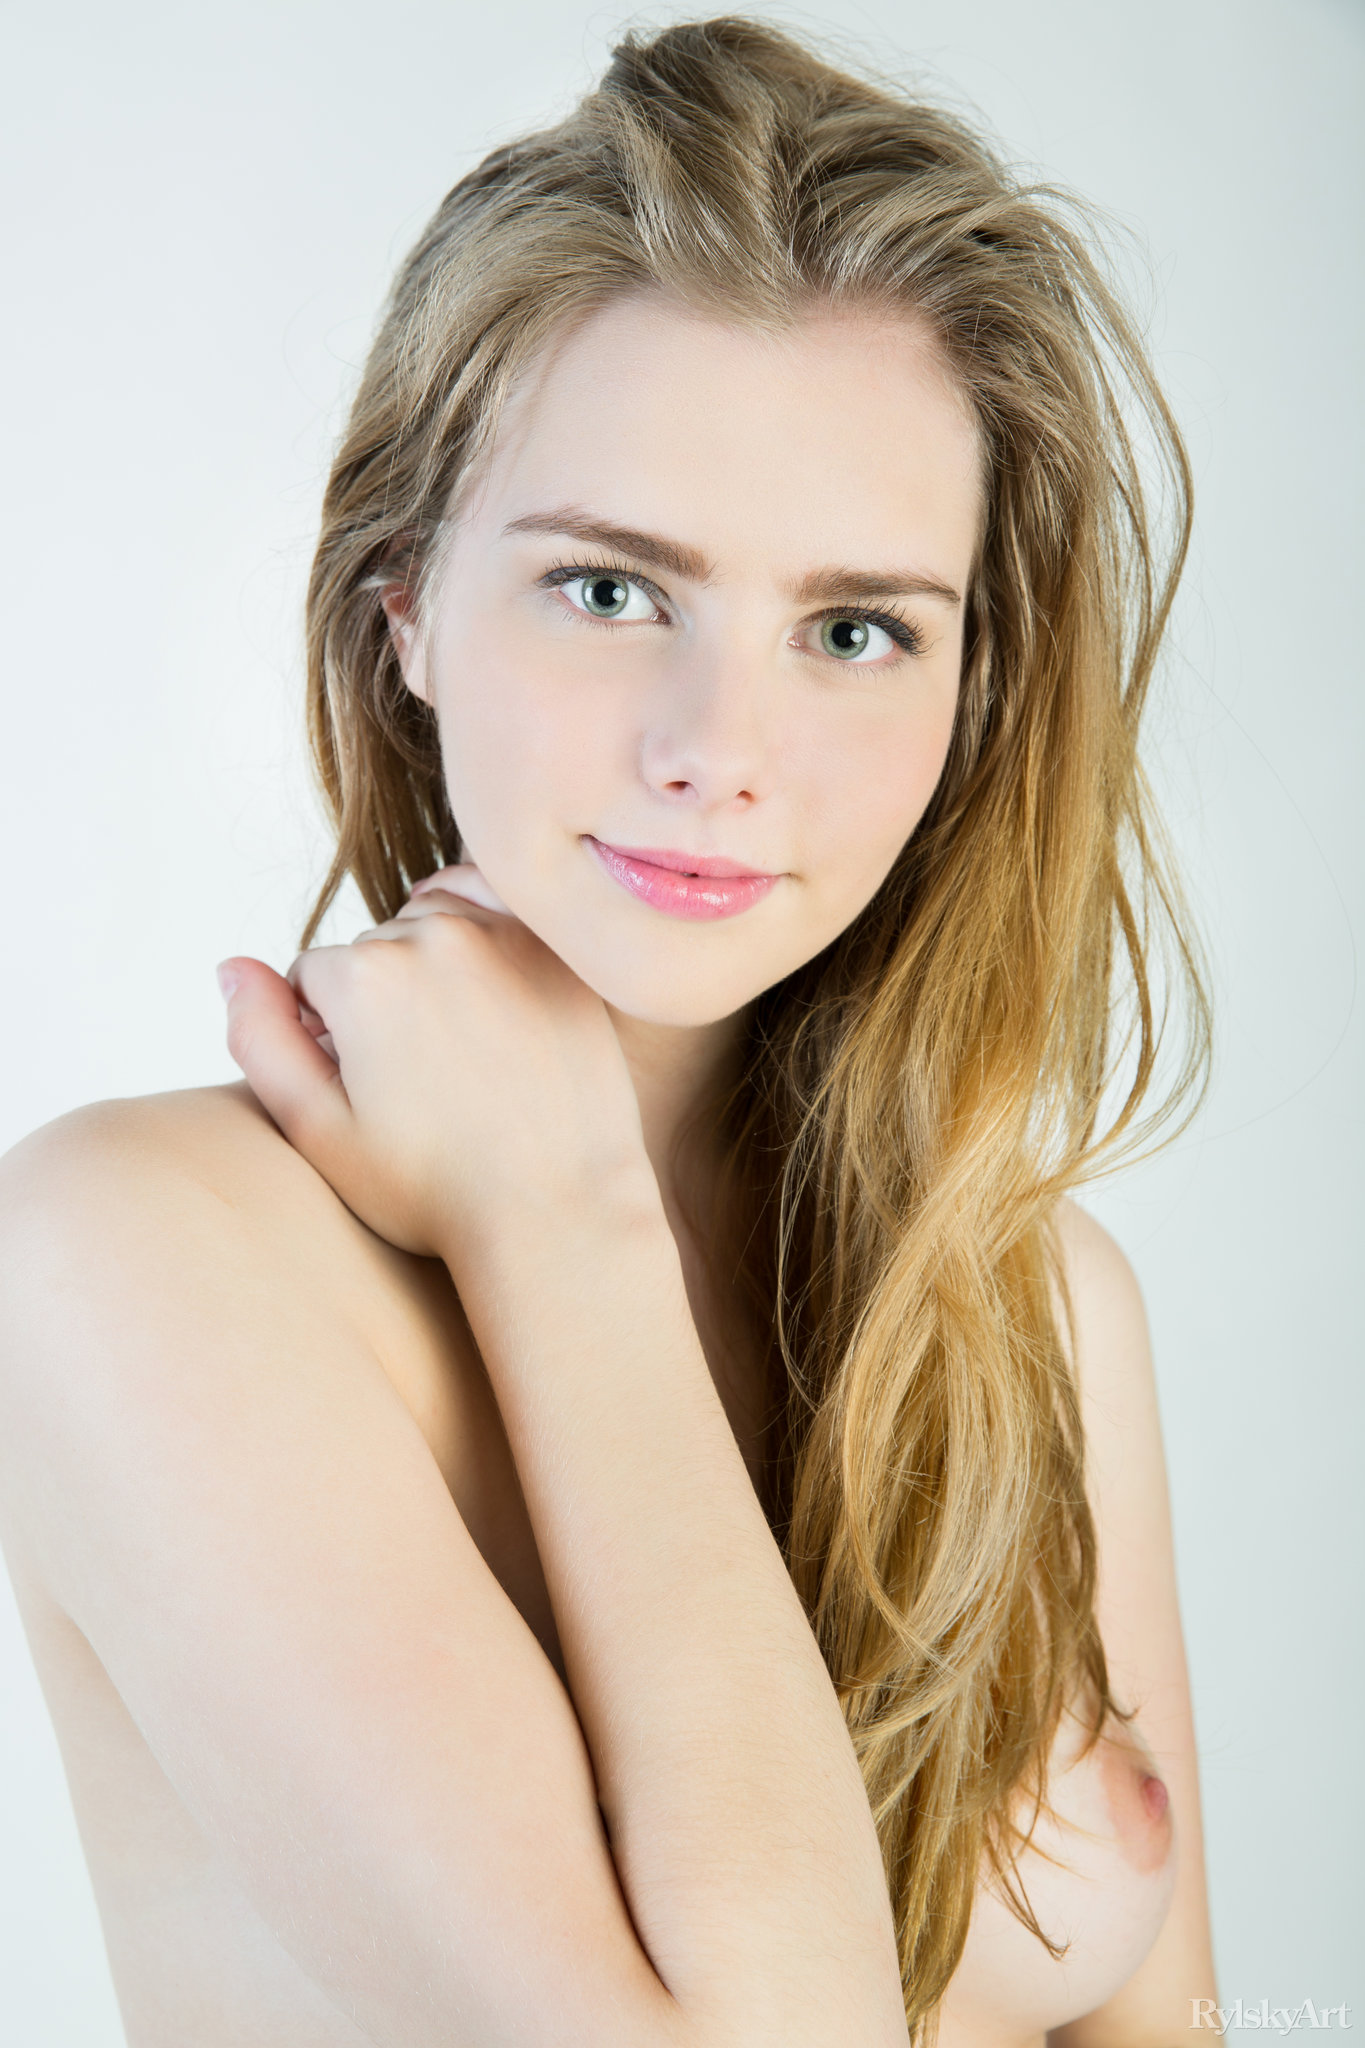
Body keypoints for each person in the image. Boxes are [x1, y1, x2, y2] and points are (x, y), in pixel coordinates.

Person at [0, 16, 1219, 2045]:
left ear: (970, 689)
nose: (717, 750)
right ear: (403, 598)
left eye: (852, 630)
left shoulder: (1029, 1299)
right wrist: (557, 1224)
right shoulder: (133, 1252)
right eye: (608, 590)